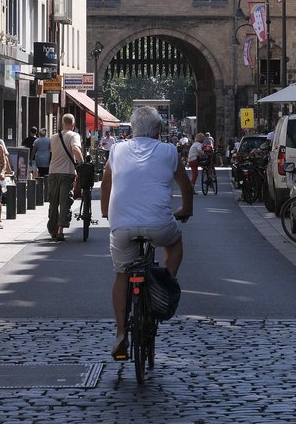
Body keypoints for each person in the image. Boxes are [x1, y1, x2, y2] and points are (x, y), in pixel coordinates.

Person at [100, 106, 193, 360]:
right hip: (160, 224)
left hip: (122, 226)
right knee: (175, 244)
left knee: (121, 273)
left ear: (131, 129)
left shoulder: (117, 149)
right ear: (159, 131)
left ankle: (121, 334)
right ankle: (164, 284)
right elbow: (185, 184)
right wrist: (186, 209)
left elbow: (106, 180)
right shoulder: (169, 151)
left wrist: (106, 211)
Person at [48, 114, 83, 241]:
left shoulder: (53, 137)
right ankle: (60, 230)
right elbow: (75, 149)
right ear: (73, 125)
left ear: (62, 123)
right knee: (64, 201)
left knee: (53, 201)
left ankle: (52, 228)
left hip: (53, 172)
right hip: (67, 173)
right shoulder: (74, 135)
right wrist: (81, 163)